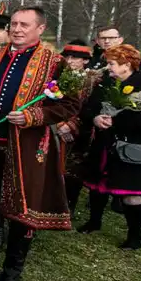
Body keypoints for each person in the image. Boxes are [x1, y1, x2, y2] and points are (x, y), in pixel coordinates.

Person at [0, 7, 80, 281]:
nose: (17, 29)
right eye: (14, 23)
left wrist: (33, 117)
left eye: (25, 24)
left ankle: (13, 267)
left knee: (20, 209)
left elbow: (70, 104)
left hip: (25, 150)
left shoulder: (55, 63)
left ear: (40, 29)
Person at [78, 45, 141, 250]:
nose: (108, 68)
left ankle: (135, 235)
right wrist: (95, 118)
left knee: (130, 192)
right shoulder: (107, 83)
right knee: (98, 186)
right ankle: (94, 221)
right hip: (104, 144)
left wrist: (125, 120)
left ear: (127, 64)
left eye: (111, 64)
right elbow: (89, 108)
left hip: (130, 148)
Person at [56, 40, 95, 213]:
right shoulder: (58, 76)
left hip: (80, 133)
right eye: (68, 57)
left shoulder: (92, 81)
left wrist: (71, 125)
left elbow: (91, 108)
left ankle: (68, 205)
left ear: (85, 60)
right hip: (56, 127)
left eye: (75, 58)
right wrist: (58, 124)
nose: (70, 61)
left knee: (74, 170)